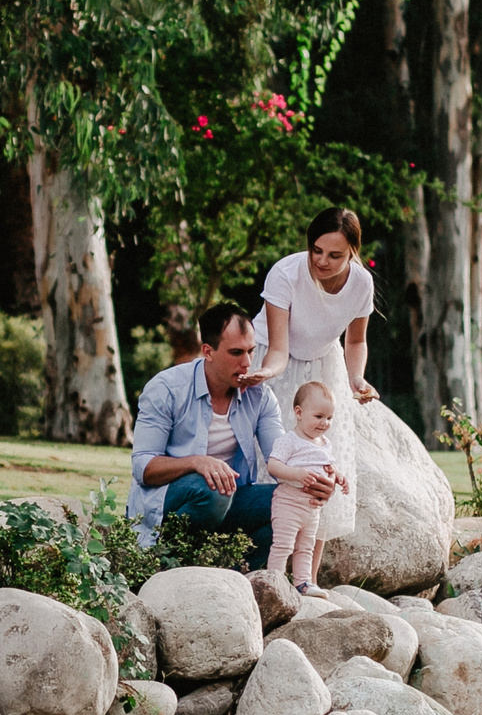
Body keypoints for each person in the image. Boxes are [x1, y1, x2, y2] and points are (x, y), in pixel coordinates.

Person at [128, 301, 335, 567]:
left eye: (251, 351)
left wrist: (315, 481)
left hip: (228, 498)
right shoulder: (166, 389)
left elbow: (283, 458)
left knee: (289, 503)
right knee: (214, 490)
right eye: (236, 352)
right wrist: (197, 462)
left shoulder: (260, 397)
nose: (247, 362)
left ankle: (230, 575)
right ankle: (171, 563)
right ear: (208, 351)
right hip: (173, 501)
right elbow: (143, 467)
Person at [241, 208, 377, 568]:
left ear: (352, 253)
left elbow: (355, 341)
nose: (322, 261)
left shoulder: (361, 283)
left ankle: (306, 576)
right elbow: (279, 348)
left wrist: (357, 379)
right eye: (316, 250)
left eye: (335, 255)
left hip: (323, 363)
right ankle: (262, 567)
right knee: (277, 459)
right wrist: (264, 373)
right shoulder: (286, 273)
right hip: (275, 360)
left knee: (321, 463)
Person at [265, 381, 348, 597]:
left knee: (306, 547)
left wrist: (339, 476)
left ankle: (303, 583)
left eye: (329, 418)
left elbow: (329, 465)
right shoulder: (289, 440)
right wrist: (297, 474)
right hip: (289, 502)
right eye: (319, 416)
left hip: (311, 508)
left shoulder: (325, 443)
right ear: (299, 413)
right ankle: (275, 581)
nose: (325, 423)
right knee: (283, 545)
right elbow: (273, 465)